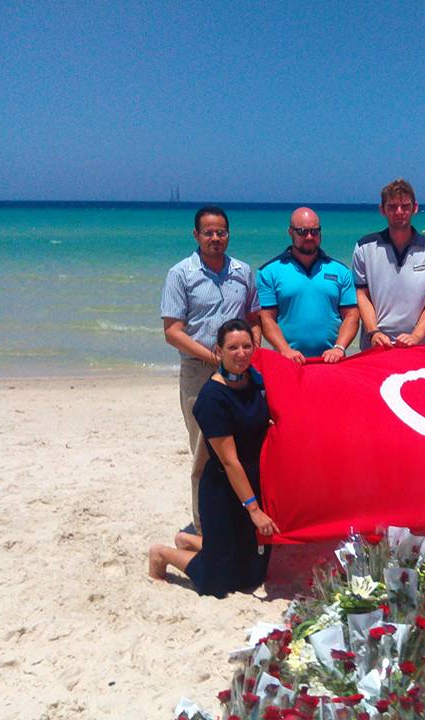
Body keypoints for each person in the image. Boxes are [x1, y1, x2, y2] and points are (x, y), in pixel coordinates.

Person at [148, 319, 278, 597]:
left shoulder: (255, 380)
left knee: (252, 574)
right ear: (218, 352)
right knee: (216, 583)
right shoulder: (212, 397)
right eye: (232, 348)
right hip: (224, 488)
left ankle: (191, 540)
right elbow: (230, 461)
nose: (241, 353)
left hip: (253, 481)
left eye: (246, 346)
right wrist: (254, 510)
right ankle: (163, 554)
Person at [160, 206, 261, 533]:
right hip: (199, 374)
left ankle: (241, 519)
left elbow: (254, 319)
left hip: (241, 373)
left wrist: (252, 354)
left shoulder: (243, 271)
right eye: (209, 233)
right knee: (205, 452)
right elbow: (173, 332)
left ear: (228, 234)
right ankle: (206, 529)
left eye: (221, 232)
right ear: (196, 235)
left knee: (243, 450)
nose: (216, 238)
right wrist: (213, 358)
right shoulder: (181, 274)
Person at [257, 207, 359, 364]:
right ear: (290, 232)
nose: (310, 236)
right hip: (288, 360)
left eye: (315, 231)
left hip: (332, 361)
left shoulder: (341, 271)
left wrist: (339, 348)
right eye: (303, 231)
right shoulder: (269, 272)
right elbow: (266, 319)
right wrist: (285, 350)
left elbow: (351, 315)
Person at [352, 178, 425, 350]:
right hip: (375, 343)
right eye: (392, 207)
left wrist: (417, 335)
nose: (399, 212)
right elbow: (362, 295)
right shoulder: (364, 247)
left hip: (417, 344)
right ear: (382, 210)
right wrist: (374, 332)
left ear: (415, 208)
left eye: (405, 206)